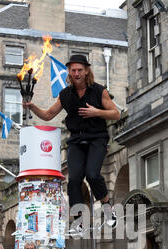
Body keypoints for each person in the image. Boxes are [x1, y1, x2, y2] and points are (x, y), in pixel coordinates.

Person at [23, 54, 120, 232]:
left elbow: (116, 114)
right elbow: (48, 115)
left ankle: (108, 208)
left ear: (86, 71)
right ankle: (79, 219)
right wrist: (32, 106)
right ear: (69, 72)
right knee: (74, 178)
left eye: (80, 70)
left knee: (92, 174)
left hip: (97, 137)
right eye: (73, 70)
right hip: (76, 139)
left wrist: (96, 112)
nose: (76, 73)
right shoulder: (65, 94)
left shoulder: (99, 91)